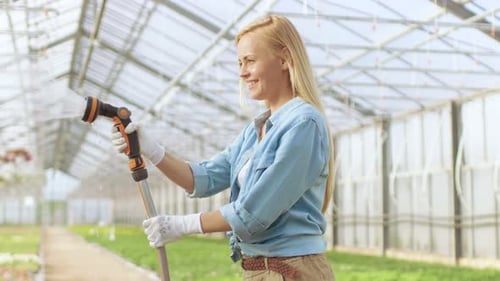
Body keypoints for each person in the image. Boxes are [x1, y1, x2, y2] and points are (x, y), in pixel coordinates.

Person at [111, 15, 335, 281]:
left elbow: (254, 211)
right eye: (240, 62)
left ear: (284, 59)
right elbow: (202, 178)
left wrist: (183, 225)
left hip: (293, 270)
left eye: (250, 60)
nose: (242, 72)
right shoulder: (256, 131)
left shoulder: (303, 125)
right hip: (260, 269)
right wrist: (150, 149)